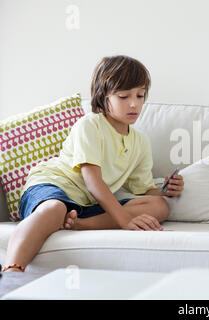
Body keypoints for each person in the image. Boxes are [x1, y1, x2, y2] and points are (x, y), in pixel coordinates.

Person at [2, 55, 184, 272]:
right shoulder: (90, 125)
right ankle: (12, 271)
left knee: (159, 207)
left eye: (140, 95)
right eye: (124, 96)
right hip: (53, 187)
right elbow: (93, 181)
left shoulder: (141, 142)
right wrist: (124, 220)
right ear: (103, 96)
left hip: (85, 206)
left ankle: (77, 224)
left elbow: (143, 189)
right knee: (54, 208)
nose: (134, 103)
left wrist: (167, 190)